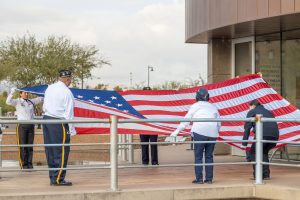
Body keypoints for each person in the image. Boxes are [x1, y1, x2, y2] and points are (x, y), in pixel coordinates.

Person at [170, 88, 220, 184]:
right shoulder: (213, 107)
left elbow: (186, 120)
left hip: (200, 132)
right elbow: (219, 123)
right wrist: (215, 132)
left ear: (197, 97)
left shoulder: (195, 106)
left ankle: (199, 179)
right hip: (213, 133)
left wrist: (176, 131)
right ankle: (209, 179)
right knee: (209, 156)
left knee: (198, 156)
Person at [43, 69, 76, 186]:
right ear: (68, 79)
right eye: (70, 79)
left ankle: (53, 177)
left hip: (47, 120)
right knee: (61, 151)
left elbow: (44, 105)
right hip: (59, 122)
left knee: (50, 150)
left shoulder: (50, 88)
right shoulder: (67, 92)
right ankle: (59, 179)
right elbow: (69, 114)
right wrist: (72, 130)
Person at [242, 99, 279, 180]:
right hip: (274, 136)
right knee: (263, 153)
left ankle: (258, 176)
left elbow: (247, 127)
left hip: (263, 135)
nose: (249, 109)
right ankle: (266, 175)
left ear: (253, 106)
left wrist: (244, 142)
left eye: (249, 107)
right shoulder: (268, 111)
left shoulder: (252, 111)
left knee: (253, 152)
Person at [6, 89, 43, 169]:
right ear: (20, 94)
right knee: (22, 146)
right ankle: (23, 164)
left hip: (31, 126)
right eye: (24, 93)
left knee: (30, 146)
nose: (26, 94)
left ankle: (30, 164)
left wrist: (44, 90)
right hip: (22, 126)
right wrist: (12, 92)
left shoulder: (31, 101)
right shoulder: (17, 101)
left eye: (27, 93)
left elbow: (41, 98)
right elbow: (8, 101)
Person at [140, 86, 159, 165]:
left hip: (153, 126)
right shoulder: (139, 102)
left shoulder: (154, 102)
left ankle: (154, 161)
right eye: (145, 92)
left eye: (148, 92)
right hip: (143, 126)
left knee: (153, 144)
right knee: (144, 145)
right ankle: (145, 161)